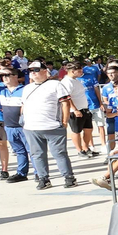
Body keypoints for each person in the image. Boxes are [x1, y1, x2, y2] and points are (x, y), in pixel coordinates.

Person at [19, 61, 77, 189]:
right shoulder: (27, 88)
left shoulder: (55, 84)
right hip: (31, 127)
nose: (33, 73)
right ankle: (43, 178)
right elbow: (24, 105)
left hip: (52, 126)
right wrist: (23, 120)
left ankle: (68, 177)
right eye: (30, 70)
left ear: (45, 71)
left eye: (36, 70)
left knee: (59, 153)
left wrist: (64, 122)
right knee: (37, 154)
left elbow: (65, 103)